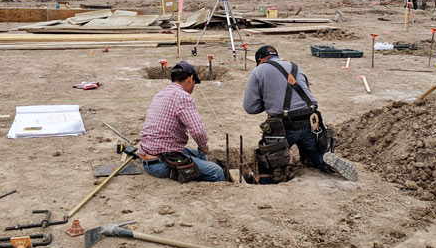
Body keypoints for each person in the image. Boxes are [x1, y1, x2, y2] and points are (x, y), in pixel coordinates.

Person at [243, 46, 357, 183]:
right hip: (311, 120)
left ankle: (266, 184)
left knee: (266, 159)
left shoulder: (258, 70)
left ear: (260, 60)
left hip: (283, 125)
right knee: (311, 155)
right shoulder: (295, 67)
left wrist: (268, 102)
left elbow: (250, 107)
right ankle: (323, 160)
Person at [138, 60, 224, 182]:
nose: (193, 86)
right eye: (194, 82)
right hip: (161, 162)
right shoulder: (182, 96)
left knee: (198, 155)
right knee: (216, 172)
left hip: (149, 156)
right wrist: (203, 146)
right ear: (190, 78)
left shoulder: (161, 94)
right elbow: (198, 132)